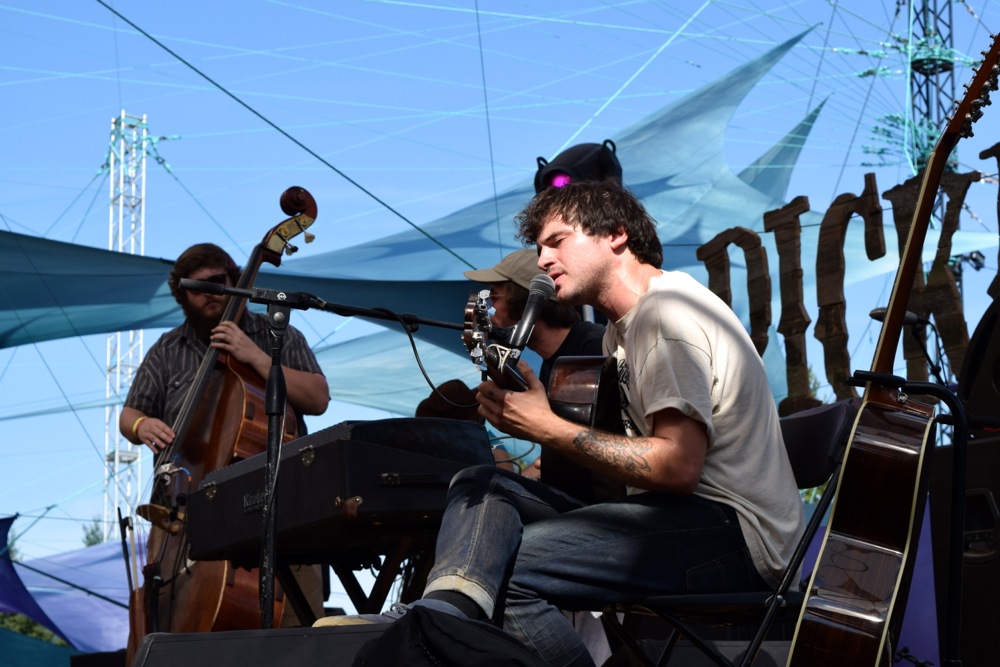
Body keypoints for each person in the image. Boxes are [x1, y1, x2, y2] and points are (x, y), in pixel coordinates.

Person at [322, 180, 805, 667]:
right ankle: (443, 612)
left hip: (736, 535)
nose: (543, 259)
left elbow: (678, 466)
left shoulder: (667, 314)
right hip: (676, 516)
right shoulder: (620, 332)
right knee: (482, 482)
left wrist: (548, 428)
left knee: (509, 570)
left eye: (557, 241)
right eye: (538, 248)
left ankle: (439, 629)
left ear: (615, 235)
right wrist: (535, 416)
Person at [119, 242, 330, 627]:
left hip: (283, 509)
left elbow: (317, 398)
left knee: (302, 634)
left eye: (219, 281)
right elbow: (129, 414)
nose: (211, 293)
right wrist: (140, 425)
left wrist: (257, 357)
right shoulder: (167, 350)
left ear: (234, 280)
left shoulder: (276, 334)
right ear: (181, 296)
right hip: (190, 518)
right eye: (197, 287)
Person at [464, 248, 604, 476]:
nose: (489, 307)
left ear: (527, 302)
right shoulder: (550, 364)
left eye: (495, 296)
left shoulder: (593, 349)